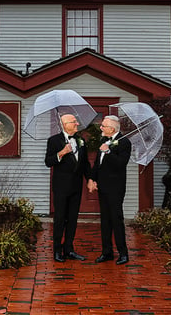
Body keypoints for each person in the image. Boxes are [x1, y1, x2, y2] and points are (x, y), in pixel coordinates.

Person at [44, 113, 90, 262]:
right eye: (73, 122)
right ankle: (57, 250)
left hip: (76, 187)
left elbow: (85, 164)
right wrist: (62, 152)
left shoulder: (81, 140)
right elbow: (48, 161)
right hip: (61, 187)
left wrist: (90, 179)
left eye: (76, 121)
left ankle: (69, 249)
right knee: (60, 218)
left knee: (72, 219)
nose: (77, 124)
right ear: (64, 124)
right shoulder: (54, 140)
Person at [88, 115, 132, 265]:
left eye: (103, 126)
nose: (100, 128)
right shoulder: (103, 141)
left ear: (112, 129)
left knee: (116, 219)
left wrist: (108, 152)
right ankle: (106, 252)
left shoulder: (124, 142)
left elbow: (121, 164)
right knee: (105, 221)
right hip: (103, 187)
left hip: (115, 188)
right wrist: (92, 179)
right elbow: (97, 165)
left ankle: (123, 253)